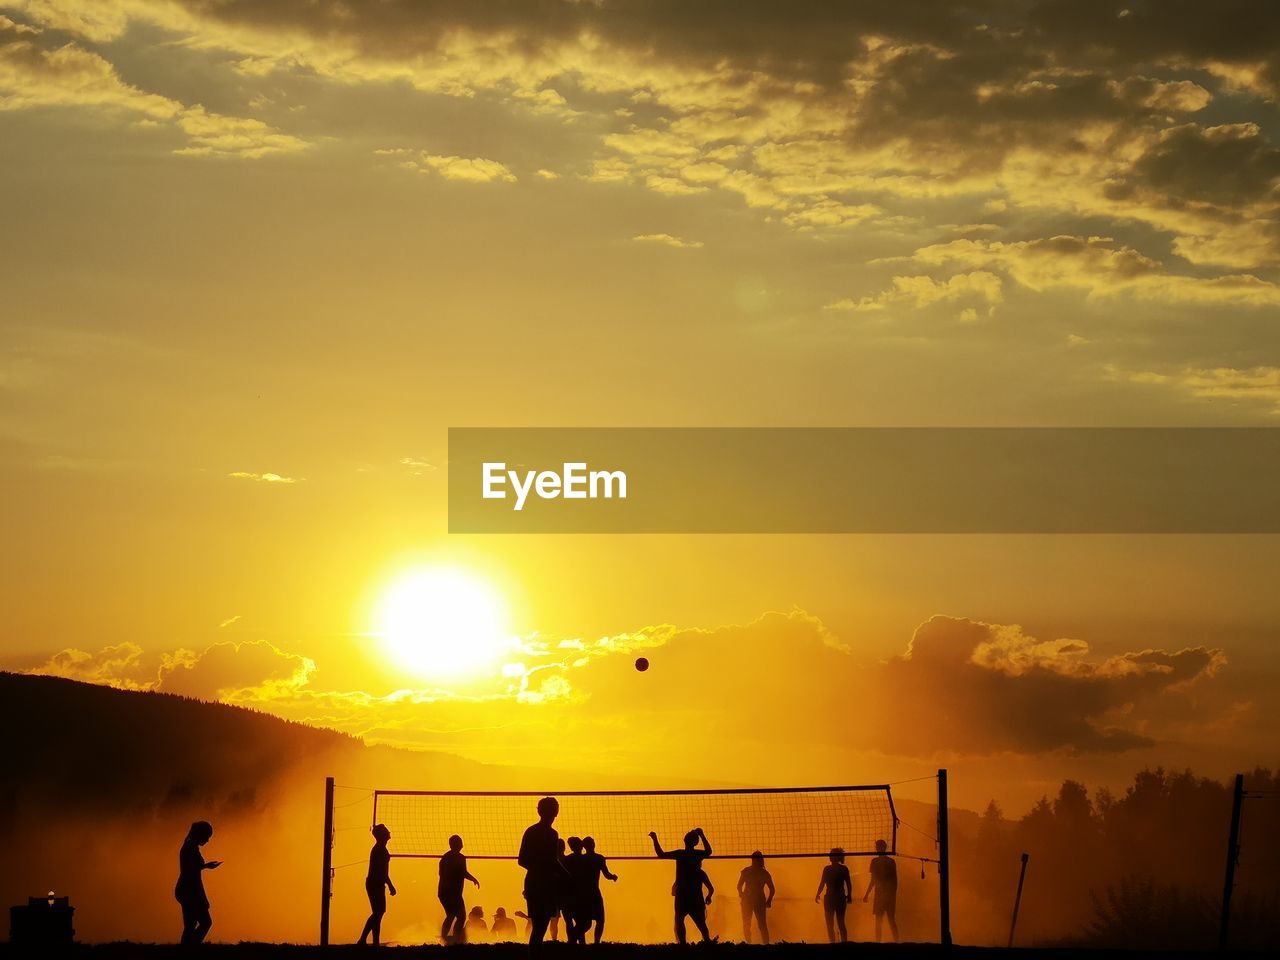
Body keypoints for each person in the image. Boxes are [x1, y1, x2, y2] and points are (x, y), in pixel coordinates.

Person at [519, 796, 570, 956]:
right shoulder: (551, 834)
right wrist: (567, 876)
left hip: (533, 882)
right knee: (540, 928)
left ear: (539, 811)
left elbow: (522, 860)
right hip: (543, 884)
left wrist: (539, 870)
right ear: (556, 811)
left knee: (538, 928)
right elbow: (552, 861)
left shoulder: (531, 831)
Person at [650, 827, 715, 944]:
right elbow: (709, 851)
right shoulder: (696, 856)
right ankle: (704, 942)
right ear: (695, 842)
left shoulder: (682, 854)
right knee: (697, 923)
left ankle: (685, 944)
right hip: (692, 894)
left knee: (682, 920)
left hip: (685, 894)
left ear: (685, 840)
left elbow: (661, 854)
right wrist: (702, 835)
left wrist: (654, 839)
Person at [175, 820, 221, 945]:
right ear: (200, 835)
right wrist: (206, 866)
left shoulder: (190, 846)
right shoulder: (189, 847)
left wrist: (206, 866)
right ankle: (191, 947)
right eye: (207, 836)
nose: (207, 840)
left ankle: (188, 947)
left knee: (191, 924)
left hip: (188, 888)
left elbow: (192, 867)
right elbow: (190, 868)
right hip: (189, 889)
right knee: (204, 922)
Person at [358, 823, 396, 946]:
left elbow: (383, 872)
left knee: (378, 913)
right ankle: (363, 940)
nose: (389, 832)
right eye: (386, 830)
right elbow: (383, 872)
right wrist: (391, 885)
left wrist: (388, 884)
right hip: (375, 883)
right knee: (378, 912)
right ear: (382, 835)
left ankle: (374, 942)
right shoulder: (380, 850)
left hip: (376, 883)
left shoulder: (381, 849)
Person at [439, 834, 480, 943]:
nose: (462, 844)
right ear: (457, 844)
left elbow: (460, 872)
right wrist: (472, 878)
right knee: (458, 916)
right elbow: (462, 872)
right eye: (460, 842)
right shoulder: (458, 858)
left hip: (446, 892)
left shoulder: (446, 858)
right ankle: (452, 938)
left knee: (453, 915)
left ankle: (449, 937)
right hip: (451, 892)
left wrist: (472, 879)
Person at [578, 836, 619, 944]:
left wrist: (612, 877)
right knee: (599, 920)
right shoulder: (598, 858)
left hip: (584, 893)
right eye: (592, 842)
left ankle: (584, 941)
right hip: (593, 892)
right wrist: (613, 877)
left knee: (586, 921)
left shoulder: (581, 859)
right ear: (592, 845)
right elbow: (606, 874)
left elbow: (606, 874)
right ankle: (594, 942)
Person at [864, 838, 899, 942]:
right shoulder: (890, 861)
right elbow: (895, 881)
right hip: (885, 895)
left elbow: (873, 880)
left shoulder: (875, 861)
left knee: (882, 920)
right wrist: (892, 894)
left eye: (877, 847)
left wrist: (867, 894)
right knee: (889, 920)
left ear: (878, 848)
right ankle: (895, 940)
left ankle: (881, 942)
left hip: (882, 895)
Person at [815, 847, 852, 943]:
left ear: (836, 857)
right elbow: (822, 883)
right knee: (834, 923)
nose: (830, 856)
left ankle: (839, 942)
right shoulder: (836, 869)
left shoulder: (834, 869)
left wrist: (850, 895)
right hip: (835, 898)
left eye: (831, 855)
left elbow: (848, 883)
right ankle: (836, 942)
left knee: (837, 923)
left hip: (835, 898)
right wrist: (817, 894)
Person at [736, 851, 775, 944]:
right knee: (750, 924)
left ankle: (764, 943)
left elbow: (772, 889)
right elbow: (739, 886)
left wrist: (769, 900)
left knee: (759, 924)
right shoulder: (749, 872)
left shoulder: (761, 873)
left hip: (756, 900)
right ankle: (752, 943)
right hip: (752, 900)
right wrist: (741, 894)